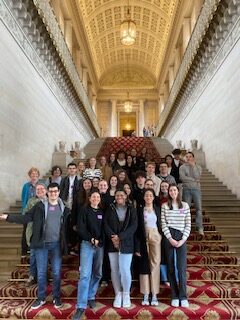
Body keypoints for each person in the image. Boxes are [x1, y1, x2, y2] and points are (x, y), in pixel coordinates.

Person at [0, 183, 70, 309]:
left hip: (56, 245)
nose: (53, 193)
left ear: (59, 192)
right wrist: (8, 217)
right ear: (47, 193)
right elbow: (26, 217)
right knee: (41, 272)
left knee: (56, 272)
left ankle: (56, 297)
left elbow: (68, 226)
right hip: (41, 244)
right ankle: (41, 298)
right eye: (51, 191)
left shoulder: (64, 207)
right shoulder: (39, 206)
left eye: (55, 191)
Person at [72, 191, 105, 320]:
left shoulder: (102, 212)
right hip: (87, 244)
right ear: (90, 198)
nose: (96, 198)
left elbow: (105, 229)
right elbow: (81, 228)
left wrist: (100, 241)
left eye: (98, 197)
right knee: (85, 275)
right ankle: (81, 305)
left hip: (100, 246)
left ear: (99, 199)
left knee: (98, 273)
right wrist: (91, 239)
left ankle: (91, 296)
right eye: (93, 197)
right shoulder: (84, 210)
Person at [104, 189, 138, 308]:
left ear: (126, 196)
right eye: (117, 195)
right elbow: (105, 224)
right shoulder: (110, 208)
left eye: (122, 195)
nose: (119, 197)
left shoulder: (131, 209)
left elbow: (134, 226)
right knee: (114, 270)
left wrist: (120, 237)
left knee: (124, 269)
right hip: (112, 243)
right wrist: (113, 237)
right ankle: (118, 293)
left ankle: (126, 294)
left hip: (127, 243)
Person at [161, 184, 191, 308]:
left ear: (178, 192)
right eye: (170, 190)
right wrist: (170, 239)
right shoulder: (164, 206)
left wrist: (182, 240)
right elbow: (163, 224)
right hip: (169, 236)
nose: (173, 192)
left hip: (181, 236)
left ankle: (183, 296)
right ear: (168, 192)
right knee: (171, 267)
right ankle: (174, 295)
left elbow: (188, 224)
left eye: (174, 190)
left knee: (181, 267)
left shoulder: (185, 205)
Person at [135, 189, 162, 306]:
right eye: (146, 195)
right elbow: (136, 228)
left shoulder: (157, 209)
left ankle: (154, 294)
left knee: (155, 264)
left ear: (153, 197)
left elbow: (161, 223)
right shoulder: (139, 210)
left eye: (151, 195)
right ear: (144, 197)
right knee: (144, 265)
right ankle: (146, 293)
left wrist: (160, 235)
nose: (148, 197)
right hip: (143, 236)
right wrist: (137, 246)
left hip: (155, 235)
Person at [24, 182, 48, 286]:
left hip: (47, 234)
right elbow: (25, 214)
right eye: (38, 189)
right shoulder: (31, 201)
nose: (40, 191)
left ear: (46, 190)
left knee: (46, 256)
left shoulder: (50, 200)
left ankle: (43, 275)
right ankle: (32, 276)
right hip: (34, 232)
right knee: (33, 255)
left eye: (42, 189)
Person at [179, 152, 204, 235]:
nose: (188, 158)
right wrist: (194, 180)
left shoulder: (198, 167)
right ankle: (186, 227)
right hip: (186, 189)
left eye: (190, 157)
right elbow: (183, 178)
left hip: (196, 189)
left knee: (199, 209)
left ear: (193, 158)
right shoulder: (182, 167)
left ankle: (199, 227)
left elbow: (198, 176)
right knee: (186, 209)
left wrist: (193, 167)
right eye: (187, 157)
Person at [21, 167, 40, 261]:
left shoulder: (41, 185)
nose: (34, 176)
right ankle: (24, 251)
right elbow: (24, 199)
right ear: (30, 175)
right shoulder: (26, 186)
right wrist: (24, 211)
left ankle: (34, 248)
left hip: (38, 213)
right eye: (32, 174)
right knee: (26, 231)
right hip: (28, 212)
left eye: (36, 174)